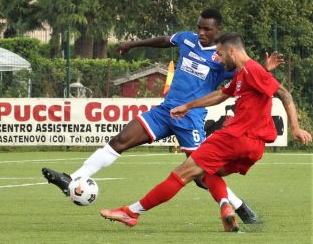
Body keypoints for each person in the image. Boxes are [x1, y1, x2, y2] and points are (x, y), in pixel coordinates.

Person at [42, 9, 283, 224]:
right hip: (165, 111)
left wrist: (264, 70)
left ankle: (239, 207)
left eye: (206, 29)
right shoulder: (188, 39)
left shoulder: (221, 57)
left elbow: (245, 70)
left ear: (218, 30)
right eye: (199, 27)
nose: (200, 32)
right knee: (120, 140)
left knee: (201, 175)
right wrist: (132, 44)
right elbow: (163, 41)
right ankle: (72, 179)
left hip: (190, 119)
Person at [100, 32, 311, 231]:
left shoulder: (251, 70)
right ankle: (225, 206)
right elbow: (221, 95)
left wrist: (295, 127)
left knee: (183, 173)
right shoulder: (247, 73)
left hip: (233, 138)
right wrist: (189, 106)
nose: (217, 58)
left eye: (219, 54)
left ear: (231, 51)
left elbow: (284, 94)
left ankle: (131, 212)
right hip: (254, 148)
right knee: (206, 173)